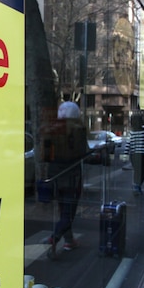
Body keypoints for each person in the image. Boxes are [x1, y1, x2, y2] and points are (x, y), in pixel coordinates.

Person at [40, 101, 89, 259]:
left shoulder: (52, 129)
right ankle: (55, 237)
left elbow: (45, 155)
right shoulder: (78, 129)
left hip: (55, 176)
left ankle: (69, 240)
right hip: (72, 176)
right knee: (69, 213)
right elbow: (83, 152)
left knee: (63, 210)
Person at [125, 114, 144, 195]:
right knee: (142, 172)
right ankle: (137, 186)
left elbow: (128, 144)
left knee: (138, 171)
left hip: (136, 154)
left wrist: (126, 154)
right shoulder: (142, 131)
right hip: (140, 154)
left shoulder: (133, 132)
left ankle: (137, 185)